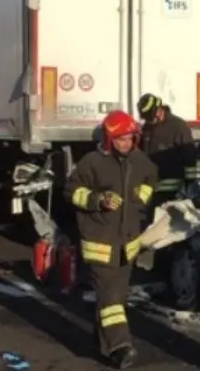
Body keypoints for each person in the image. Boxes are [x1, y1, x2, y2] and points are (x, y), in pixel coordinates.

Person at [65, 110, 158, 368]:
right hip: (100, 244)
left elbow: (152, 177)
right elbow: (71, 191)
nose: (126, 144)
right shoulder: (91, 162)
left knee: (113, 297)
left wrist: (143, 195)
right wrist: (98, 200)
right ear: (108, 139)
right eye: (121, 139)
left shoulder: (139, 161)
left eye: (130, 139)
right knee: (112, 300)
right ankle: (120, 346)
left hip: (126, 247)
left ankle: (102, 343)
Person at [136, 93, 195, 204]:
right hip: (150, 188)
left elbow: (189, 157)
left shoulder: (178, 127)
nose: (148, 121)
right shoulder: (147, 128)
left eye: (149, 118)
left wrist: (190, 185)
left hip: (172, 191)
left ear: (158, 111)